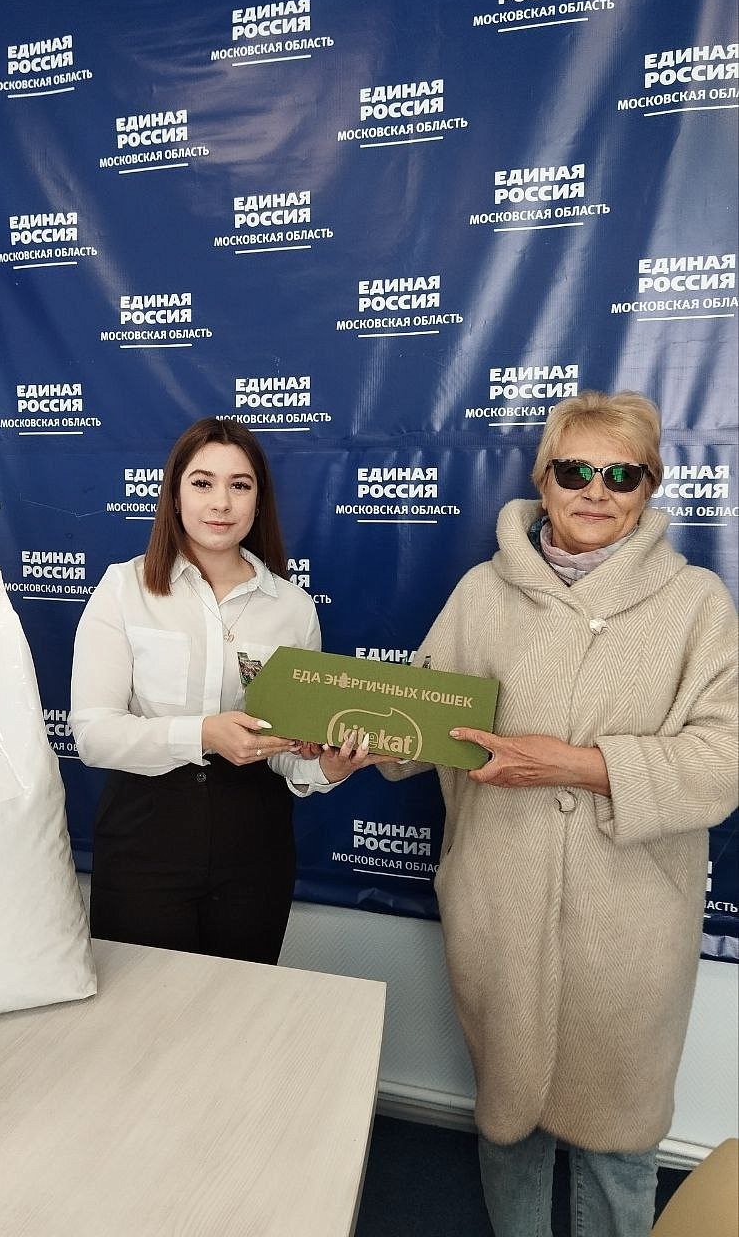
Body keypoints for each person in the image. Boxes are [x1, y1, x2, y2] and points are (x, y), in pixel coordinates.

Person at [382, 391, 738, 1237]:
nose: (596, 491)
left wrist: (577, 765)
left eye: (622, 474)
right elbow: (419, 727)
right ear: (543, 480)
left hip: (631, 918)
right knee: (509, 1123)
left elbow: (724, 760)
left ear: (649, 487)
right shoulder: (482, 593)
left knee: (620, 1144)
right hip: (499, 899)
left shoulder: (697, 604)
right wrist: (363, 739)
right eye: (575, 471)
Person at [70, 417, 384, 964]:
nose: (221, 502)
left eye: (240, 485)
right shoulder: (124, 588)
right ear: (174, 496)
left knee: (242, 1008)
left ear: (259, 501)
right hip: (145, 840)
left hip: (255, 849)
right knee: (141, 1009)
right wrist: (205, 735)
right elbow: (94, 736)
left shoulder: (292, 608)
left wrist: (327, 767)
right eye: (202, 483)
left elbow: (287, 750)